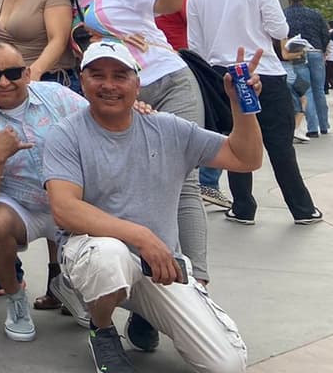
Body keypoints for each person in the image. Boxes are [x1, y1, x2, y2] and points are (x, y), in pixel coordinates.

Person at [44, 41, 262, 373]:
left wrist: (241, 106)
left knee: (227, 364)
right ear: (82, 79)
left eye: (120, 75)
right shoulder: (66, 134)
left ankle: (143, 313)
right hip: (96, 257)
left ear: (137, 82)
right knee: (110, 256)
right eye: (97, 75)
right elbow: (65, 209)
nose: (109, 85)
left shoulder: (168, 128)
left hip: (158, 268)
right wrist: (142, 236)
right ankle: (101, 329)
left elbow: (245, 158)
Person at [51, 0, 213, 292]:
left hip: (169, 82)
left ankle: (197, 281)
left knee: (182, 182)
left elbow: (169, 3)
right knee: (142, 188)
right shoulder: (64, 4)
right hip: (123, 97)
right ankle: (154, 284)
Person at [186, 0, 322, 226]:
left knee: (237, 141)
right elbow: (278, 29)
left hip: (222, 74)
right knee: (280, 143)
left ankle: (243, 208)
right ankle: (302, 209)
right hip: (264, 71)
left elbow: (194, 45)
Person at [0, 41, 90, 341]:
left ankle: (66, 282)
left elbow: (101, 119)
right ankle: (16, 298)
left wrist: (136, 106)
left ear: (28, 73)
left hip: (66, 199)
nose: (3, 82)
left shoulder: (57, 96)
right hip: (19, 206)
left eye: (13, 72)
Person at [284, 0, 331, 137]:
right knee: (319, 90)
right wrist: (322, 49)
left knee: (307, 90)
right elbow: (326, 34)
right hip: (316, 53)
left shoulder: (285, 15)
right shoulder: (315, 14)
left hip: (298, 54)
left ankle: (312, 128)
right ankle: (324, 125)